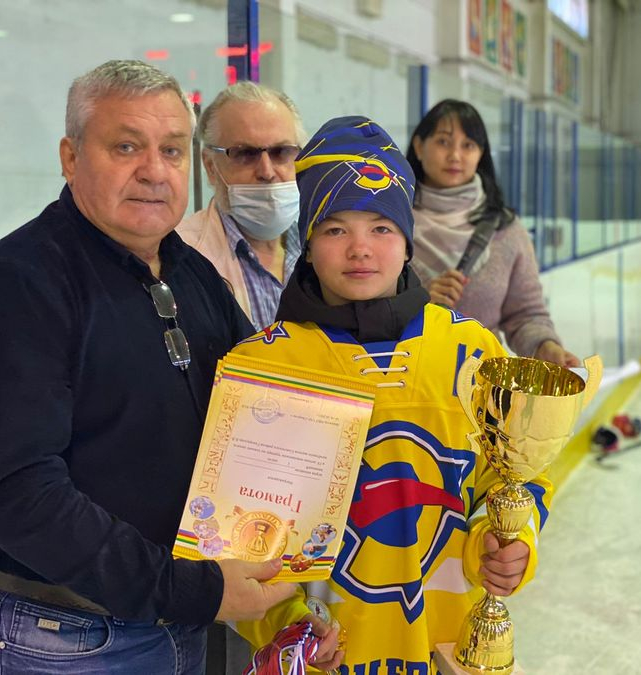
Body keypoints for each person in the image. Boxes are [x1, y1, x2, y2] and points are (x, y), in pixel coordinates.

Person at [0, 60, 295, 674]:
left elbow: (264, 407)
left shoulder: (190, 273)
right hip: (58, 638)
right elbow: (18, 495)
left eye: (171, 150)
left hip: (172, 623)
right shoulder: (17, 285)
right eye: (126, 147)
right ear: (70, 157)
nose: (154, 171)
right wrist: (189, 590)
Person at [229, 116, 553, 673]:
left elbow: (517, 479)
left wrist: (509, 539)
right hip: (331, 656)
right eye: (335, 229)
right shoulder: (265, 364)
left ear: (408, 242)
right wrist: (287, 630)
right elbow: (238, 539)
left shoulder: (472, 350)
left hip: (451, 648)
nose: (360, 249)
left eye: (381, 228)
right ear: (307, 244)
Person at [406, 99, 580, 367]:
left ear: (481, 153)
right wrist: (415, 299)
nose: (455, 155)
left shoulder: (505, 229)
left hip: (483, 383)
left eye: (468, 145)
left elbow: (525, 315)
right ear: (419, 146)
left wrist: (546, 347)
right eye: (443, 142)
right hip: (403, 378)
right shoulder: (390, 223)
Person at [177, 82, 306, 331]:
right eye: (245, 153)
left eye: (281, 152)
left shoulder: (322, 245)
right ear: (211, 166)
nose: (267, 172)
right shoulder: (180, 254)